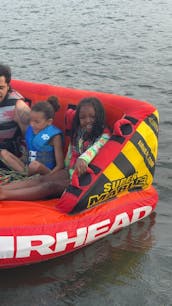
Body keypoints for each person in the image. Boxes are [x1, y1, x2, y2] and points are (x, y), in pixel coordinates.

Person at [0, 97, 111, 204]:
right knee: (42, 179)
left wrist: (83, 159)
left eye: (92, 117)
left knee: (50, 186)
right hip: (70, 171)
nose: (87, 121)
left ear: (99, 116)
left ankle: (5, 195)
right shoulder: (79, 133)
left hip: (84, 178)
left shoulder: (104, 135)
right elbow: (70, 154)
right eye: (83, 118)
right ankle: (3, 189)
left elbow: (95, 148)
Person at [0, 96, 64, 176]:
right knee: (3, 153)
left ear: (49, 122)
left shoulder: (55, 137)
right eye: (31, 120)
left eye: (37, 122)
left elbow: (60, 165)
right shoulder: (30, 130)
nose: (32, 124)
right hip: (29, 168)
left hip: (45, 172)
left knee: (34, 165)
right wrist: (20, 161)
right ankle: (26, 176)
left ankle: (26, 177)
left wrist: (50, 176)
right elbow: (28, 152)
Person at [0, 64, 30, 161]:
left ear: (8, 86)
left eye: (1, 88)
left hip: (8, 153)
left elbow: (32, 139)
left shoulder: (19, 108)